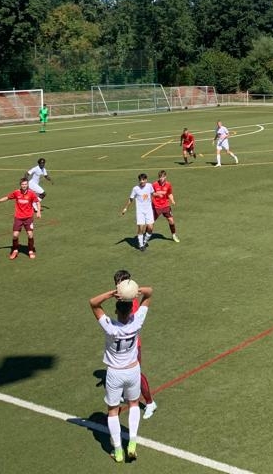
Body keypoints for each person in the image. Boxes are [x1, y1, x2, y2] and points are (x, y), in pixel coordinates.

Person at [90, 284, 154, 463]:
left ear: (116, 311)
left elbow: (93, 303)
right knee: (134, 404)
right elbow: (149, 293)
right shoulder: (137, 321)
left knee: (112, 410)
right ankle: (132, 442)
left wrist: (112, 293)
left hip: (115, 373)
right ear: (131, 310)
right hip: (133, 370)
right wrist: (134, 291)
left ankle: (118, 450)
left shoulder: (110, 327)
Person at [113, 270, 157, 420]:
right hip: (122, 343)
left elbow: (148, 292)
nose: (118, 288)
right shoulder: (122, 299)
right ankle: (124, 393)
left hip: (133, 344)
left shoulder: (132, 301)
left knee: (136, 374)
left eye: (120, 285)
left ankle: (150, 403)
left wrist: (134, 290)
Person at [0, 177, 41, 260]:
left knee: (30, 234)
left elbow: (37, 202)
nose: (24, 186)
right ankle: (15, 250)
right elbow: (7, 197)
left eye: (25, 184)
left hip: (28, 218)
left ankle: (30, 250)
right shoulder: (16, 192)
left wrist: (38, 211)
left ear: (27, 185)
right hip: (18, 217)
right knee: (15, 235)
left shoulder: (31, 193)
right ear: (20, 185)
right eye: (22, 184)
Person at [121, 174, 155, 251]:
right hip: (140, 211)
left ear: (146, 180)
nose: (141, 181)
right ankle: (141, 245)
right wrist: (126, 208)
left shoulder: (149, 186)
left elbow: (153, 194)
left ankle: (145, 241)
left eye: (143, 180)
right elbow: (131, 199)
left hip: (149, 210)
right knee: (141, 228)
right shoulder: (135, 189)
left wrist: (160, 196)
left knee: (150, 228)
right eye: (140, 180)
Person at [151, 170, 178, 243]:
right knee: (151, 223)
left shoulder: (168, 184)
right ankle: (146, 236)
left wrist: (172, 200)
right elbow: (151, 193)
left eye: (162, 177)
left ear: (165, 177)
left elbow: (169, 193)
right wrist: (157, 194)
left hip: (166, 205)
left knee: (171, 220)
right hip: (156, 206)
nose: (161, 178)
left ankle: (174, 235)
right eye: (160, 177)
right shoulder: (154, 184)